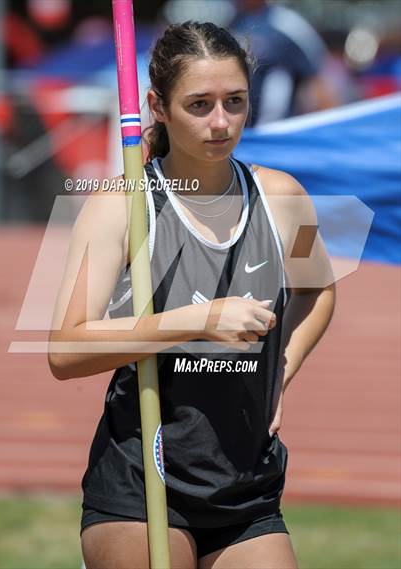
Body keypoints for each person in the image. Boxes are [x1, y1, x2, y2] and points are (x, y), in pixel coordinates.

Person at [48, 21, 336, 569]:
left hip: (244, 485)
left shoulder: (284, 196)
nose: (221, 122)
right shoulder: (121, 205)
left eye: (235, 101)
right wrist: (197, 320)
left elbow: (317, 291)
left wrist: (282, 370)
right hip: (142, 482)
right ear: (157, 105)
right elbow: (65, 349)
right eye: (199, 104)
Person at [230, 0, 337, 125]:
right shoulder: (232, 23)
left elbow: (319, 83)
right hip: (240, 134)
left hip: (273, 131)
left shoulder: (288, 25)